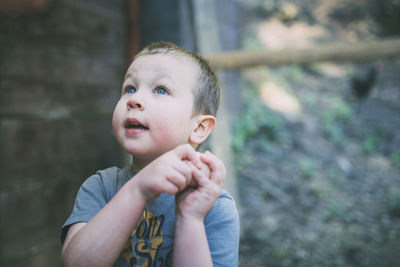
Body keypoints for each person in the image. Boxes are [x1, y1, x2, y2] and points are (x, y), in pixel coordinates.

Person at [60, 42, 240, 267]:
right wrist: (138, 189)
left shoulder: (214, 207)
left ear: (199, 128)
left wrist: (190, 217)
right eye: (130, 88)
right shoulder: (101, 187)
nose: (134, 100)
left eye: (161, 90)